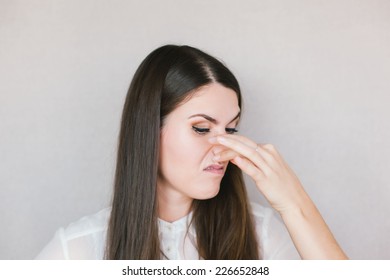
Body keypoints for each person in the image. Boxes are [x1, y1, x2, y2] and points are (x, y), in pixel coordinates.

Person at [36, 45, 347, 260]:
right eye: (201, 128)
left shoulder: (262, 234)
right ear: (149, 130)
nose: (223, 147)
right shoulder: (76, 250)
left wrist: (294, 204)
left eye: (231, 129)